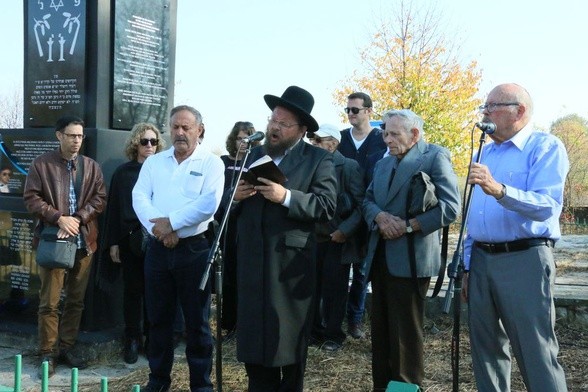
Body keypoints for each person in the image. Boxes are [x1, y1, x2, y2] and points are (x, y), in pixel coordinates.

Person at [462, 83, 569, 391]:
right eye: (484, 106)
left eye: (491, 106)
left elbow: (547, 207)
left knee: (536, 351)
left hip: (524, 259)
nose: (484, 113)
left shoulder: (545, 147)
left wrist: (500, 191)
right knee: (486, 352)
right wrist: (468, 265)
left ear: (519, 111)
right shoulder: (484, 151)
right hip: (481, 260)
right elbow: (474, 214)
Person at [234, 86, 337, 392]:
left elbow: (326, 206)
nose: (274, 128)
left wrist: (286, 196)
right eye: (272, 120)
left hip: (290, 267)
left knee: (287, 344)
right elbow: (230, 204)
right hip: (253, 261)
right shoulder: (254, 154)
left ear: (302, 130)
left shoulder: (318, 159)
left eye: (283, 124)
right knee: (255, 341)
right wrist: (235, 197)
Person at [362, 109, 460, 389]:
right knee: (381, 332)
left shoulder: (434, 157)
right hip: (380, 256)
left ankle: (404, 388)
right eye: (385, 133)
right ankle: (382, 387)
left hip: (410, 260)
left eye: (394, 134)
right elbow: (368, 200)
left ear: (414, 134)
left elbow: (450, 208)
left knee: (404, 336)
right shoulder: (383, 164)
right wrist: (380, 217)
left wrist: (408, 226)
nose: (387, 139)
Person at [132, 105, 224, 392]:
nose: (180, 133)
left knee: (196, 323)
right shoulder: (154, 162)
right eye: (175, 127)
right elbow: (139, 196)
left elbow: (207, 204)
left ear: (200, 130)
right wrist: (158, 231)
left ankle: (201, 385)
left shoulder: (211, 163)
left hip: (194, 251)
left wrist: (171, 224)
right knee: (158, 319)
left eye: (186, 127)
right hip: (158, 250)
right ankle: (158, 381)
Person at [23, 115, 107, 378]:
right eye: (72, 135)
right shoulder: (41, 164)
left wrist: (78, 219)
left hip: (84, 242)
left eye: (80, 136)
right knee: (49, 302)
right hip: (54, 242)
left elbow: (100, 198)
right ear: (59, 135)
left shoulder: (91, 167)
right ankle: (48, 353)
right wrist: (58, 217)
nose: (77, 141)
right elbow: (31, 198)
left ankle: (67, 348)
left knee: (75, 301)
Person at [103, 123, 165, 364]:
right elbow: (115, 209)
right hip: (130, 240)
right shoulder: (124, 172)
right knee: (132, 291)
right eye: (144, 141)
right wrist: (114, 243)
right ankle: (132, 338)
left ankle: (152, 339)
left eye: (153, 141)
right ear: (135, 144)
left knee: (155, 293)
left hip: (158, 238)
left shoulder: (164, 171)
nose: (149, 145)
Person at [309, 124, 365, 352]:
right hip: (313, 237)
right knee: (310, 289)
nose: (314, 144)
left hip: (336, 239)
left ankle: (333, 335)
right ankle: (313, 333)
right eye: (313, 141)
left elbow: (361, 204)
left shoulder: (349, 166)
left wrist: (344, 231)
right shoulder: (311, 163)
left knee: (335, 290)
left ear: (332, 144)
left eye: (319, 141)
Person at [337, 91, 386, 339]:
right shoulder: (340, 138)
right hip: (342, 213)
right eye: (348, 110)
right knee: (338, 270)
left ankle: (355, 319)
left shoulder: (381, 139)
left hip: (370, 212)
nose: (350, 114)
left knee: (362, 271)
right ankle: (332, 318)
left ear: (369, 111)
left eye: (355, 110)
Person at [215, 121, 260, 337]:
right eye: (240, 138)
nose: (243, 143)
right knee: (229, 275)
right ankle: (228, 324)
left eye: (248, 139)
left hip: (250, 227)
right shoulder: (223, 163)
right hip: (228, 225)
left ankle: (246, 324)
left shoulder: (257, 163)